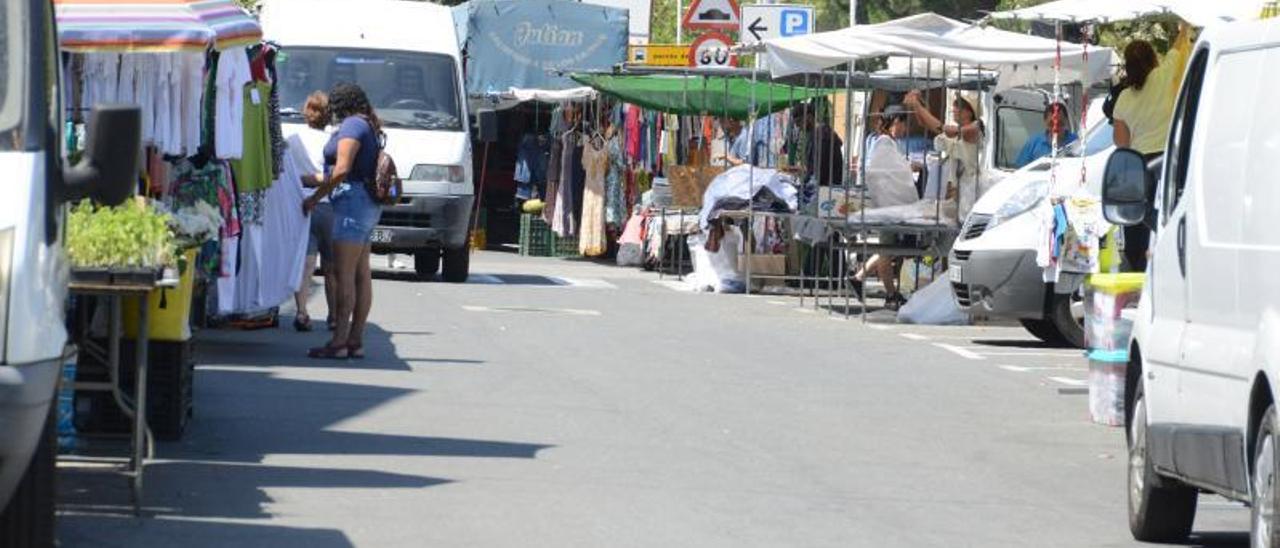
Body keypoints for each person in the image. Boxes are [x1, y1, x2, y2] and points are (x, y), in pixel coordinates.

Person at [303, 82, 384, 359]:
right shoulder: (368, 125)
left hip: (352, 202)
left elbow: (341, 170)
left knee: (343, 274)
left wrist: (315, 196)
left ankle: (338, 341)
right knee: (362, 274)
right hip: (367, 203)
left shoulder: (351, 126)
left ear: (339, 105)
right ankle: (355, 341)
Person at [1111, 24, 1193, 271]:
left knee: (1137, 217)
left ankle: (1139, 267)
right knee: (1171, 211)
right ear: (1152, 59)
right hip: (1168, 161)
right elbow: (1179, 48)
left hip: (1138, 163)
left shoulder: (1124, 98)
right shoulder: (1164, 75)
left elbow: (1120, 142)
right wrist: (1184, 27)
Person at [851, 105, 919, 310]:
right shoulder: (884, 143)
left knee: (887, 248)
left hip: (889, 204)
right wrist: (908, 169)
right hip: (887, 205)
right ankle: (890, 294)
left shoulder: (888, 143)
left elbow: (893, 169)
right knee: (886, 249)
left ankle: (859, 277)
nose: (905, 129)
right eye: (904, 124)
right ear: (896, 122)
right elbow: (882, 172)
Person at [289, 91, 337, 332]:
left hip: (302, 206)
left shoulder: (293, 139)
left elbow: (287, 175)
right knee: (331, 266)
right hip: (329, 206)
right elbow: (335, 176)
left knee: (305, 264)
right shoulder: (334, 140)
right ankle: (334, 315)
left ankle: (301, 311)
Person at [903, 90, 985, 219]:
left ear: (969, 112)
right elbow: (926, 124)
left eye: (958, 106)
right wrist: (917, 104)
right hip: (955, 190)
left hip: (969, 191)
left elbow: (940, 128)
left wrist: (918, 106)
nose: (954, 109)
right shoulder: (958, 132)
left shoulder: (973, 129)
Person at [794, 102, 845, 186]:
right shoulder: (815, 134)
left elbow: (819, 169)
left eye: (799, 122)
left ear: (809, 117)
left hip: (825, 188)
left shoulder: (822, 135)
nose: (798, 127)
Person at [1014, 101, 1077, 169]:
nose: (1055, 128)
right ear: (1045, 121)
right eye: (1051, 124)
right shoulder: (1033, 143)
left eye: (1060, 123)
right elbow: (1019, 170)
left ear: (1066, 120)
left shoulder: (1076, 142)